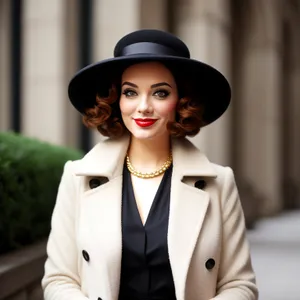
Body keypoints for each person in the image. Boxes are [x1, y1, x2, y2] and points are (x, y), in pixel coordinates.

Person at [42, 29, 258, 300]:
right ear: (116, 100)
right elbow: (59, 279)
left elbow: (240, 285)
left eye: (160, 93)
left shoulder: (219, 182)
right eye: (130, 92)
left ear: (181, 101)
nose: (143, 107)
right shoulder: (77, 177)